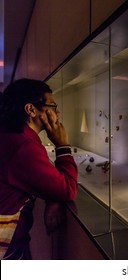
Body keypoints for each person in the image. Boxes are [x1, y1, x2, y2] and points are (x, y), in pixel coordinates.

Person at [0, 79, 78, 259]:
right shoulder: (23, 145)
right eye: (52, 105)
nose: (57, 112)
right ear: (31, 109)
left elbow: (43, 180)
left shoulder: (12, 135)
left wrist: (52, 197)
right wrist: (62, 145)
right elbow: (67, 189)